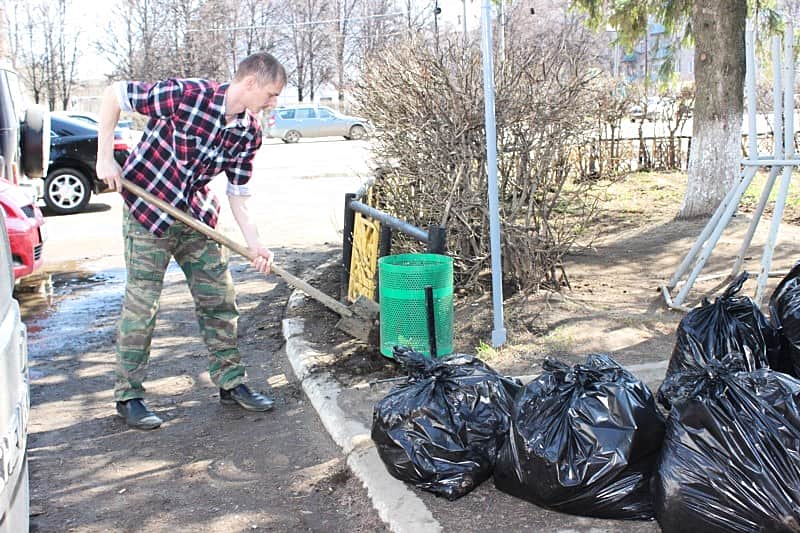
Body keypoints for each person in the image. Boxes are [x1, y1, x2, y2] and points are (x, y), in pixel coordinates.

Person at [96, 52, 286, 430]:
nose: (272, 103)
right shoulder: (187, 95)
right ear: (250, 83)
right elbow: (115, 94)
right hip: (147, 214)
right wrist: (105, 157)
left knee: (220, 299)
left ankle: (231, 382)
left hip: (196, 218)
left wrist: (255, 244)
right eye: (270, 94)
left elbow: (238, 194)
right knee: (142, 307)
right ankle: (128, 396)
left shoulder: (249, 132)